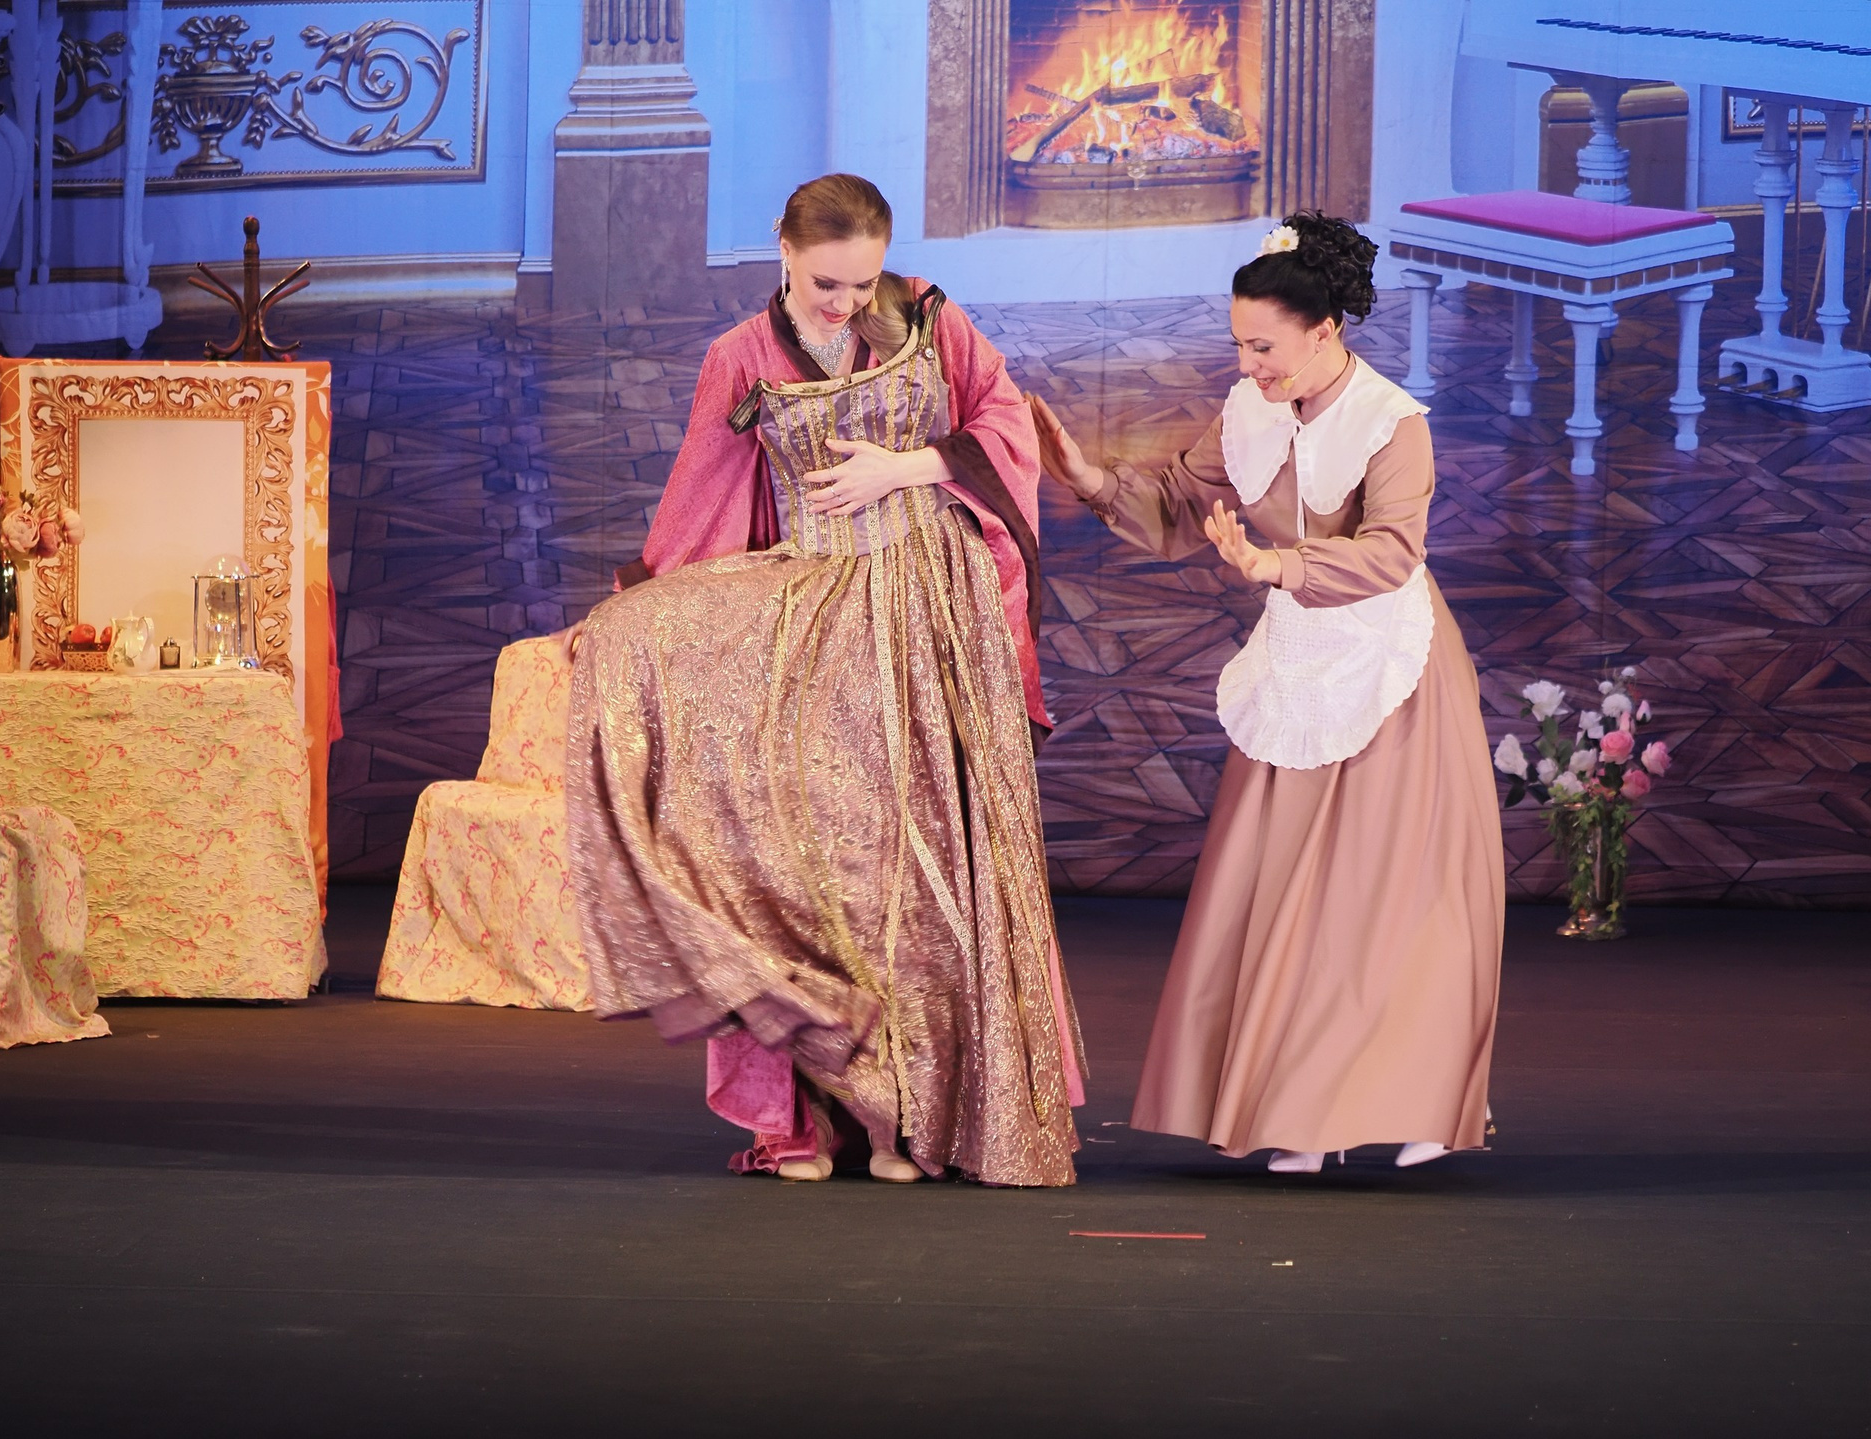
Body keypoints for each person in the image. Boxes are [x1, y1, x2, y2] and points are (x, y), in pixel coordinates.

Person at [565, 174, 1083, 1188]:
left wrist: (908, 467)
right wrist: (636, 612)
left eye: (860, 281)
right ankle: (811, 1117)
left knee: (924, 872)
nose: (845, 302)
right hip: (818, 618)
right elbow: (702, 498)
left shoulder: (927, 316)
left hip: (931, 615)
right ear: (784, 248)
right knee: (810, 862)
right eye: (825, 283)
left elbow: (1006, 426)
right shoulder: (741, 357)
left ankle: (919, 1123)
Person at [1029, 211, 1502, 1174]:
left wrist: (1279, 565)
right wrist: (1086, 478)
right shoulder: (1247, 410)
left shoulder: (1392, 424)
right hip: (1298, 669)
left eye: (1264, 347)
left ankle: (1420, 1098)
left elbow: (1393, 552)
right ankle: (1295, 1110)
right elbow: (1177, 503)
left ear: (1324, 331)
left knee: (1394, 895)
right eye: (1240, 344)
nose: (1248, 364)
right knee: (1279, 896)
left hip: (1393, 673)